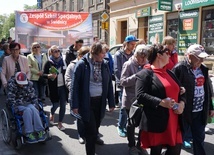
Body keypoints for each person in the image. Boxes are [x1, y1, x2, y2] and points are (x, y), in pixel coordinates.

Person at [135, 44, 186, 155]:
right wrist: (161, 102)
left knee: (175, 150)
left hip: (174, 121)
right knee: (156, 151)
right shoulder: (145, 74)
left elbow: (181, 91)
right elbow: (140, 96)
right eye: (167, 53)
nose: (169, 56)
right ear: (158, 55)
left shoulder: (170, 73)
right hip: (157, 121)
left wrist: (182, 103)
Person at [70, 42, 115, 155]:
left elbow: (109, 84)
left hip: (100, 102)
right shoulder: (82, 65)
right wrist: (74, 105)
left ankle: (94, 138)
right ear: (94, 53)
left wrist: (111, 102)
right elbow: (74, 86)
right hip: (86, 102)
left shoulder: (104, 64)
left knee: (96, 126)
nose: (104, 55)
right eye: (102, 53)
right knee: (91, 131)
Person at [172, 44, 214, 155]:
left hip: (200, 111)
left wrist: (211, 107)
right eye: (199, 57)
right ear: (189, 56)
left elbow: (208, 89)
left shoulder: (204, 69)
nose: (201, 60)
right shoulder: (179, 68)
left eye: (203, 57)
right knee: (178, 140)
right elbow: (172, 89)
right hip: (184, 111)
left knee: (199, 139)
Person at [120, 44, 149, 155]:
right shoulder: (128, 64)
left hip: (143, 99)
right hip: (130, 100)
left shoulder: (147, 64)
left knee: (143, 124)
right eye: (141, 57)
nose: (143, 59)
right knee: (131, 124)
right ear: (136, 55)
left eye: (145, 57)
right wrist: (137, 76)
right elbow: (123, 82)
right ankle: (131, 146)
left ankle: (140, 145)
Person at [7, 72, 46, 143]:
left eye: (23, 83)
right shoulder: (11, 85)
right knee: (27, 110)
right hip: (18, 104)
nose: (22, 85)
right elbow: (11, 99)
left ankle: (40, 131)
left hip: (28, 102)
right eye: (20, 83)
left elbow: (33, 96)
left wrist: (36, 104)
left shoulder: (29, 84)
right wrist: (15, 108)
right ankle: (29, 133)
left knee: (34, 109)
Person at [114, 35, 138, 137]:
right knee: (123, 108)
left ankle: (128, 125)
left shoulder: (133, 54)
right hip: (123, 84)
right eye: (132, 44)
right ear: (126, 44)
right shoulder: (119, 54)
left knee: (132, 107)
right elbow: (116, 70)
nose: (133, 46)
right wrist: (121, 83)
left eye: (134, 44)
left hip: (133, 84)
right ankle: (120, 126)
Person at [65, 46, 90, 144]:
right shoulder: (72, 65)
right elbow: (67, 79)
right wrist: (76, 87)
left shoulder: (90, 64)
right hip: (77, 95)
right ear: (79, 55)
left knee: (90, 117)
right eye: (84, 55)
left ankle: (92, 134)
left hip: (88, 95)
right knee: (80, 117)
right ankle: (81, 135)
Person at [43, 45, 67, 131]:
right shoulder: (48, 63)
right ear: (51, 53)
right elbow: (43, 75)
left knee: (63, 105)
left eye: (58, 51)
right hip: (53, 87)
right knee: (55, 104)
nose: (57, 53)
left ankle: (60, 123)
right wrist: (48, 75)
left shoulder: (63, 61)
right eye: (55, 51)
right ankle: (52, 113)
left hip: (63, 87)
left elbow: (66, 72)